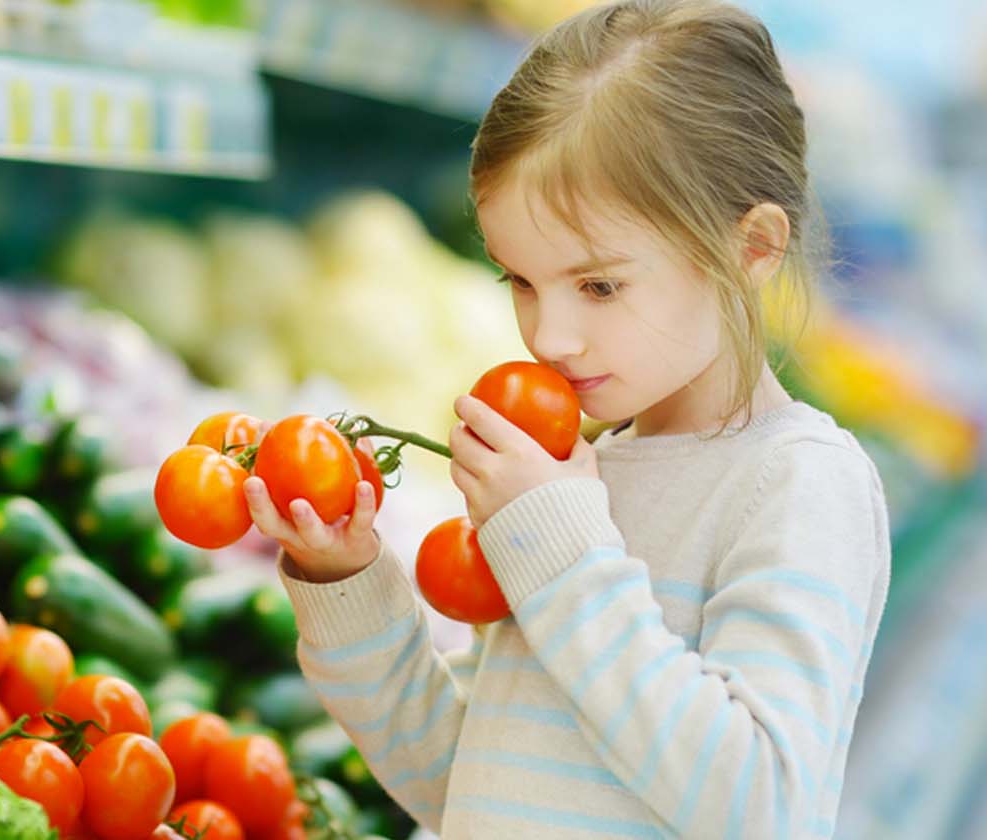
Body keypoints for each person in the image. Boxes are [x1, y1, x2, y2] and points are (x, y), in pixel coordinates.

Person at [240, 1, 891, 837]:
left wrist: (561, 548)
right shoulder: (574, 478)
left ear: (751, 248)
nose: (550, 336)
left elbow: (758, 802)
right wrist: (350, 584)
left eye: (600, 286)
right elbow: (463, 785)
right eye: (519, 280)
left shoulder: (798, 481)